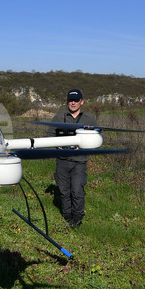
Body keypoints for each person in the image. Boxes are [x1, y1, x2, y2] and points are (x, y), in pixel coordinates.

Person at [49, 88, 97, 227]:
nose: (73, 103)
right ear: (67, 102)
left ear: (81, 102)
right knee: (64, 191)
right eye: (71, 100)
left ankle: (77, 218)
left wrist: (82, 146)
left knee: (77, 190)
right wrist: (56, 145)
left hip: (79, 161)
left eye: (76, 100)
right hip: (62, 160)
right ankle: (67, 216)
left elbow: (97, 138)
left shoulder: (90, 119)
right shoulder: (58, 118)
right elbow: (48, 135)